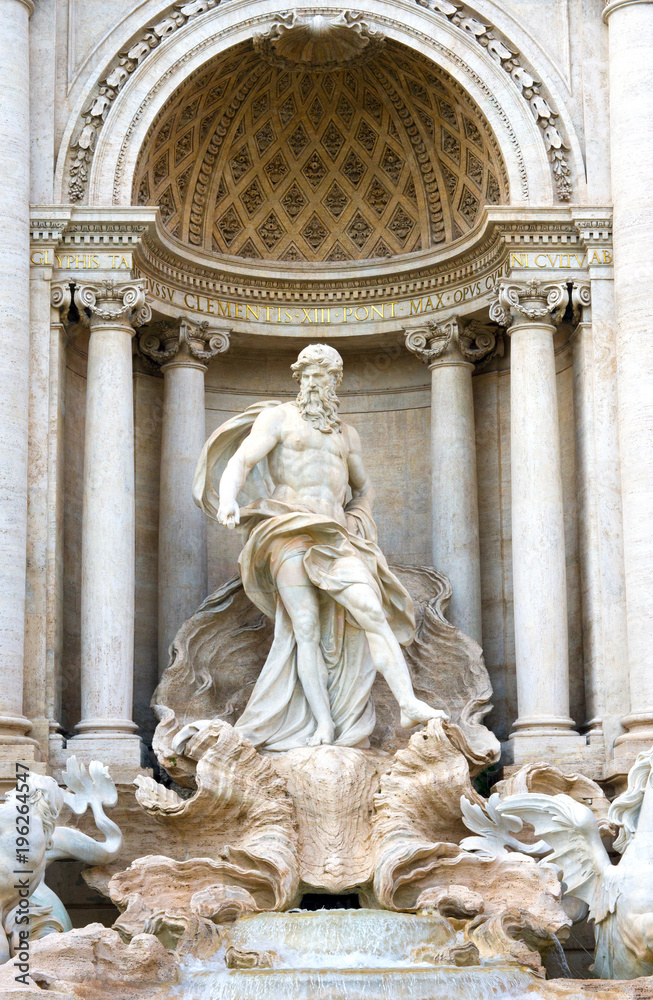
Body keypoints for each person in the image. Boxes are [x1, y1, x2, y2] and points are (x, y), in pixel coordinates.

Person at [192, 343, 445, 751]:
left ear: (334, 382)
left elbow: (363, 487)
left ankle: (408, 702)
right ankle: (323, 725)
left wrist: (359, 517)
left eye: (321, 375)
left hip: (334, 534)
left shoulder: (347, 435)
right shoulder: (279, 418)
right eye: (306, 374)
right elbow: (240, 461)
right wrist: (227, 500)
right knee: (304, 628)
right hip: (287, 530)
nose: (312, 382)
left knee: (371, 610)